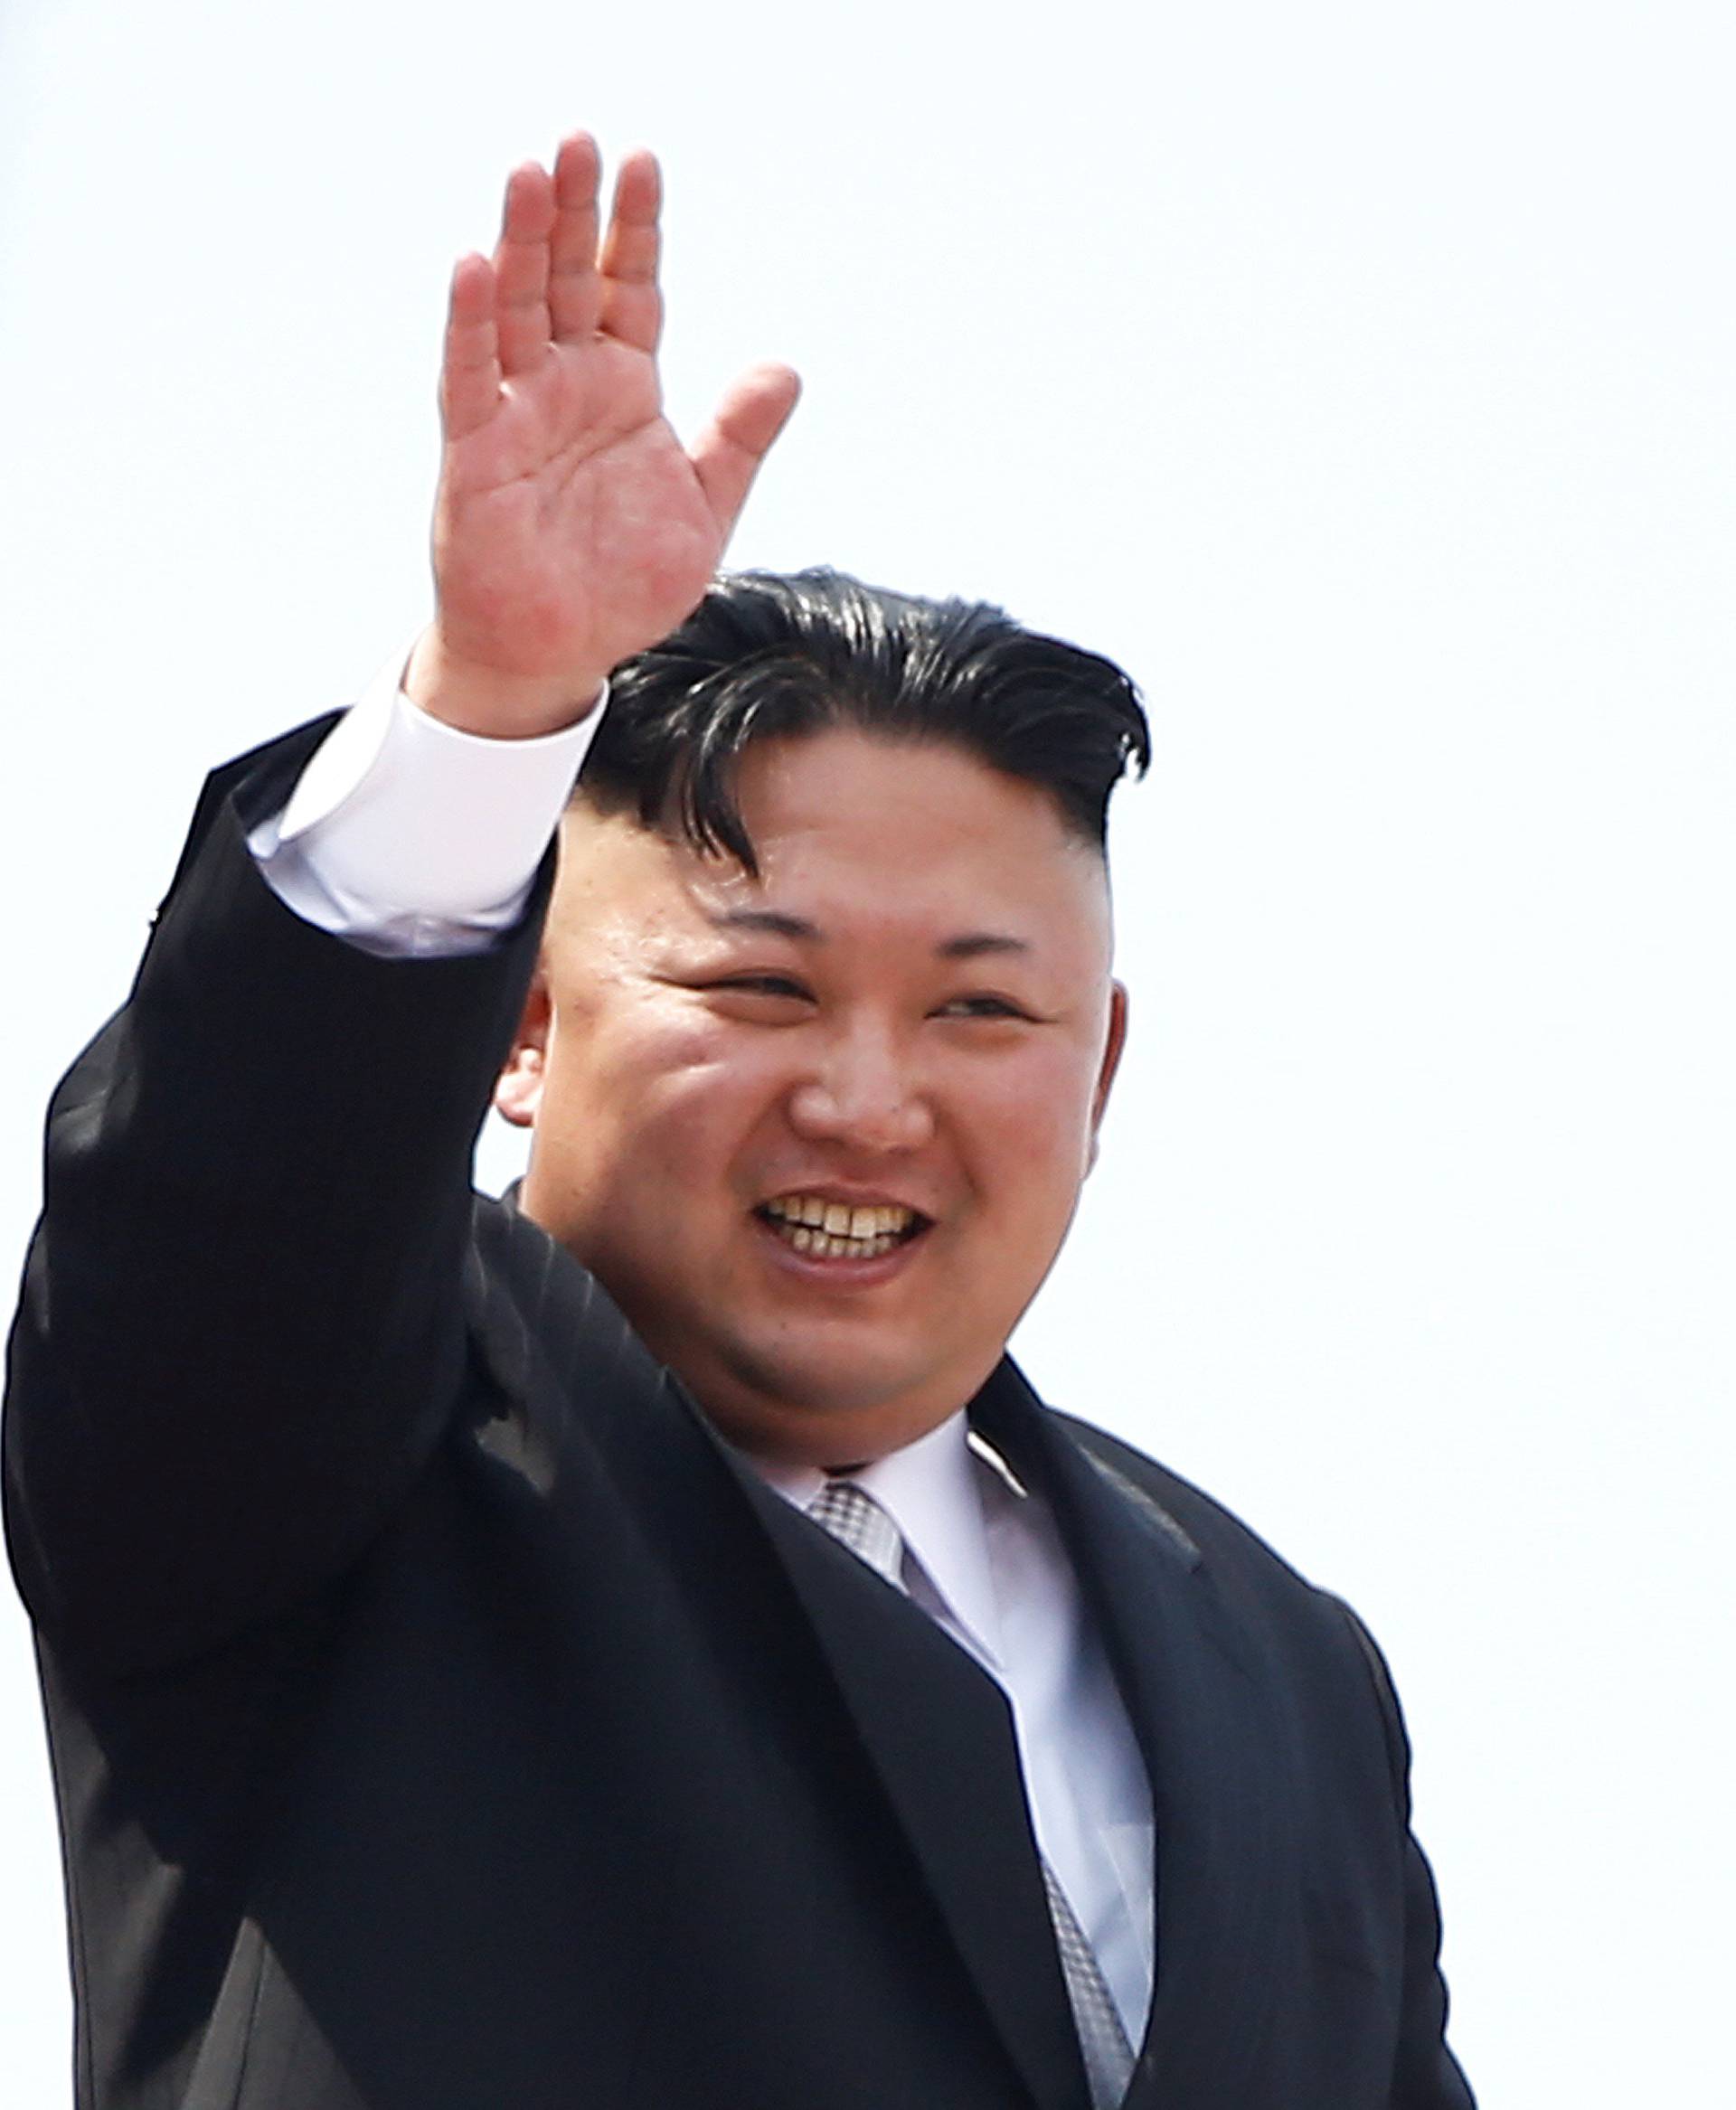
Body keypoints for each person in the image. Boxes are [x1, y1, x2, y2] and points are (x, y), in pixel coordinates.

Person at [3, 133, 1476, 2110]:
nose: (867, 1102)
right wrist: (493, 710)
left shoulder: (1285, 1666)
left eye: (979, 1009)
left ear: (1100, 1069)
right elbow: (225, 1198)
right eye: (759, 988)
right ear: (520, 1025)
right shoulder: (335, 1454)